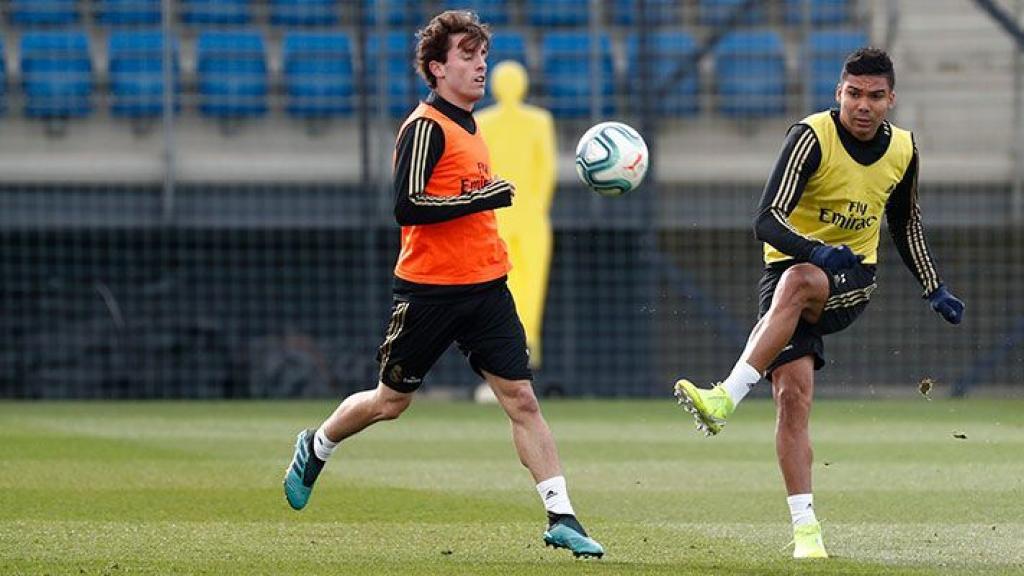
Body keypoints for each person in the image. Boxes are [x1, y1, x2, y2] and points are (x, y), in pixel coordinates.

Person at [282, 10, 603, 559]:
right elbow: (407, 205)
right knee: (390, 402)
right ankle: (318, 444)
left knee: (522, 399)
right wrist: (480, 198)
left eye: (483, 55)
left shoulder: (473, 126)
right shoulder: (425, 127)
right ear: (436, 67)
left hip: (487, 287)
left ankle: (561, 515)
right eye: (467, 56)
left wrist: (479, 205)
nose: (481, 65)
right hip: (429, 291)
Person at [672, 48, 964, 559]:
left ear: (891, 99)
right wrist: (816, 250)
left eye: (875, 96)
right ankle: (807, 532)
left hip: (852, 280)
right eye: (854, 94)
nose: (863, 105)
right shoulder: (810, 137)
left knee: (802, 279)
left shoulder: (903, 149)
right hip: (790, 274)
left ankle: (725, 397)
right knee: (792, 396)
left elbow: (905, 222)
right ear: (838, 93)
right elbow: (766, 219)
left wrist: (933, 286)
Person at [477, 60, 558, 371]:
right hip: (517, 217)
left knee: (514, 285)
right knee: (517, 284)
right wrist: (536, 207)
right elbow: (546, 170)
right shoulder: (537, 121)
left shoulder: (485, 122)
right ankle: (515, 348)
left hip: (504, 216)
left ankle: (518, 347)